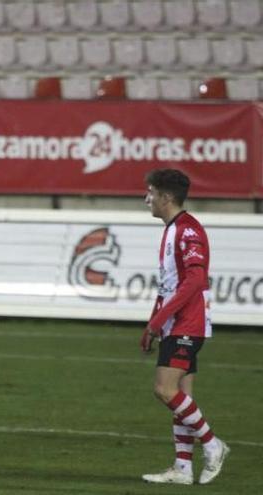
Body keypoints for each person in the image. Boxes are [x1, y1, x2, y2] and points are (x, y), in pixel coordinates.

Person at [140, 169, 229, 485]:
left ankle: (213, 444)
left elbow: (195, 280)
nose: (146, 198)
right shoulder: (172, 229)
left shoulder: (188, 230)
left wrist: (160, 320)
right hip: (176, 325)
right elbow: (168, 285)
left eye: (150, 192)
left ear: (165, 196)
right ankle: (182, 469)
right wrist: (154, 323)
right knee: (181, 397)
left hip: (187, 324)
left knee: (164, 389)